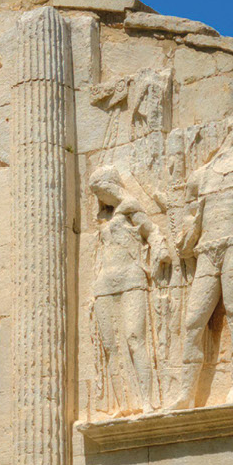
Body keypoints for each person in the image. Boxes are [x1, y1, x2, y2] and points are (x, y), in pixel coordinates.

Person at [175, 113, 233, 407]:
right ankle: (186, 393)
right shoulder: (202, 176)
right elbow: (189, 222)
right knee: (193, 320)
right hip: (207, 250)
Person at [90, 165, 170, 415]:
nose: (99, 198)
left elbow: (152, 231)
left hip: (131, 276)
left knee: (135, 339)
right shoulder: (104, 217)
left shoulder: (130, 206)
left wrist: (160, 249)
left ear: (110, 187)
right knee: (110, 345)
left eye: (100, 191)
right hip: (105, 282)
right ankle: (122, 403)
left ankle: (146, 401)